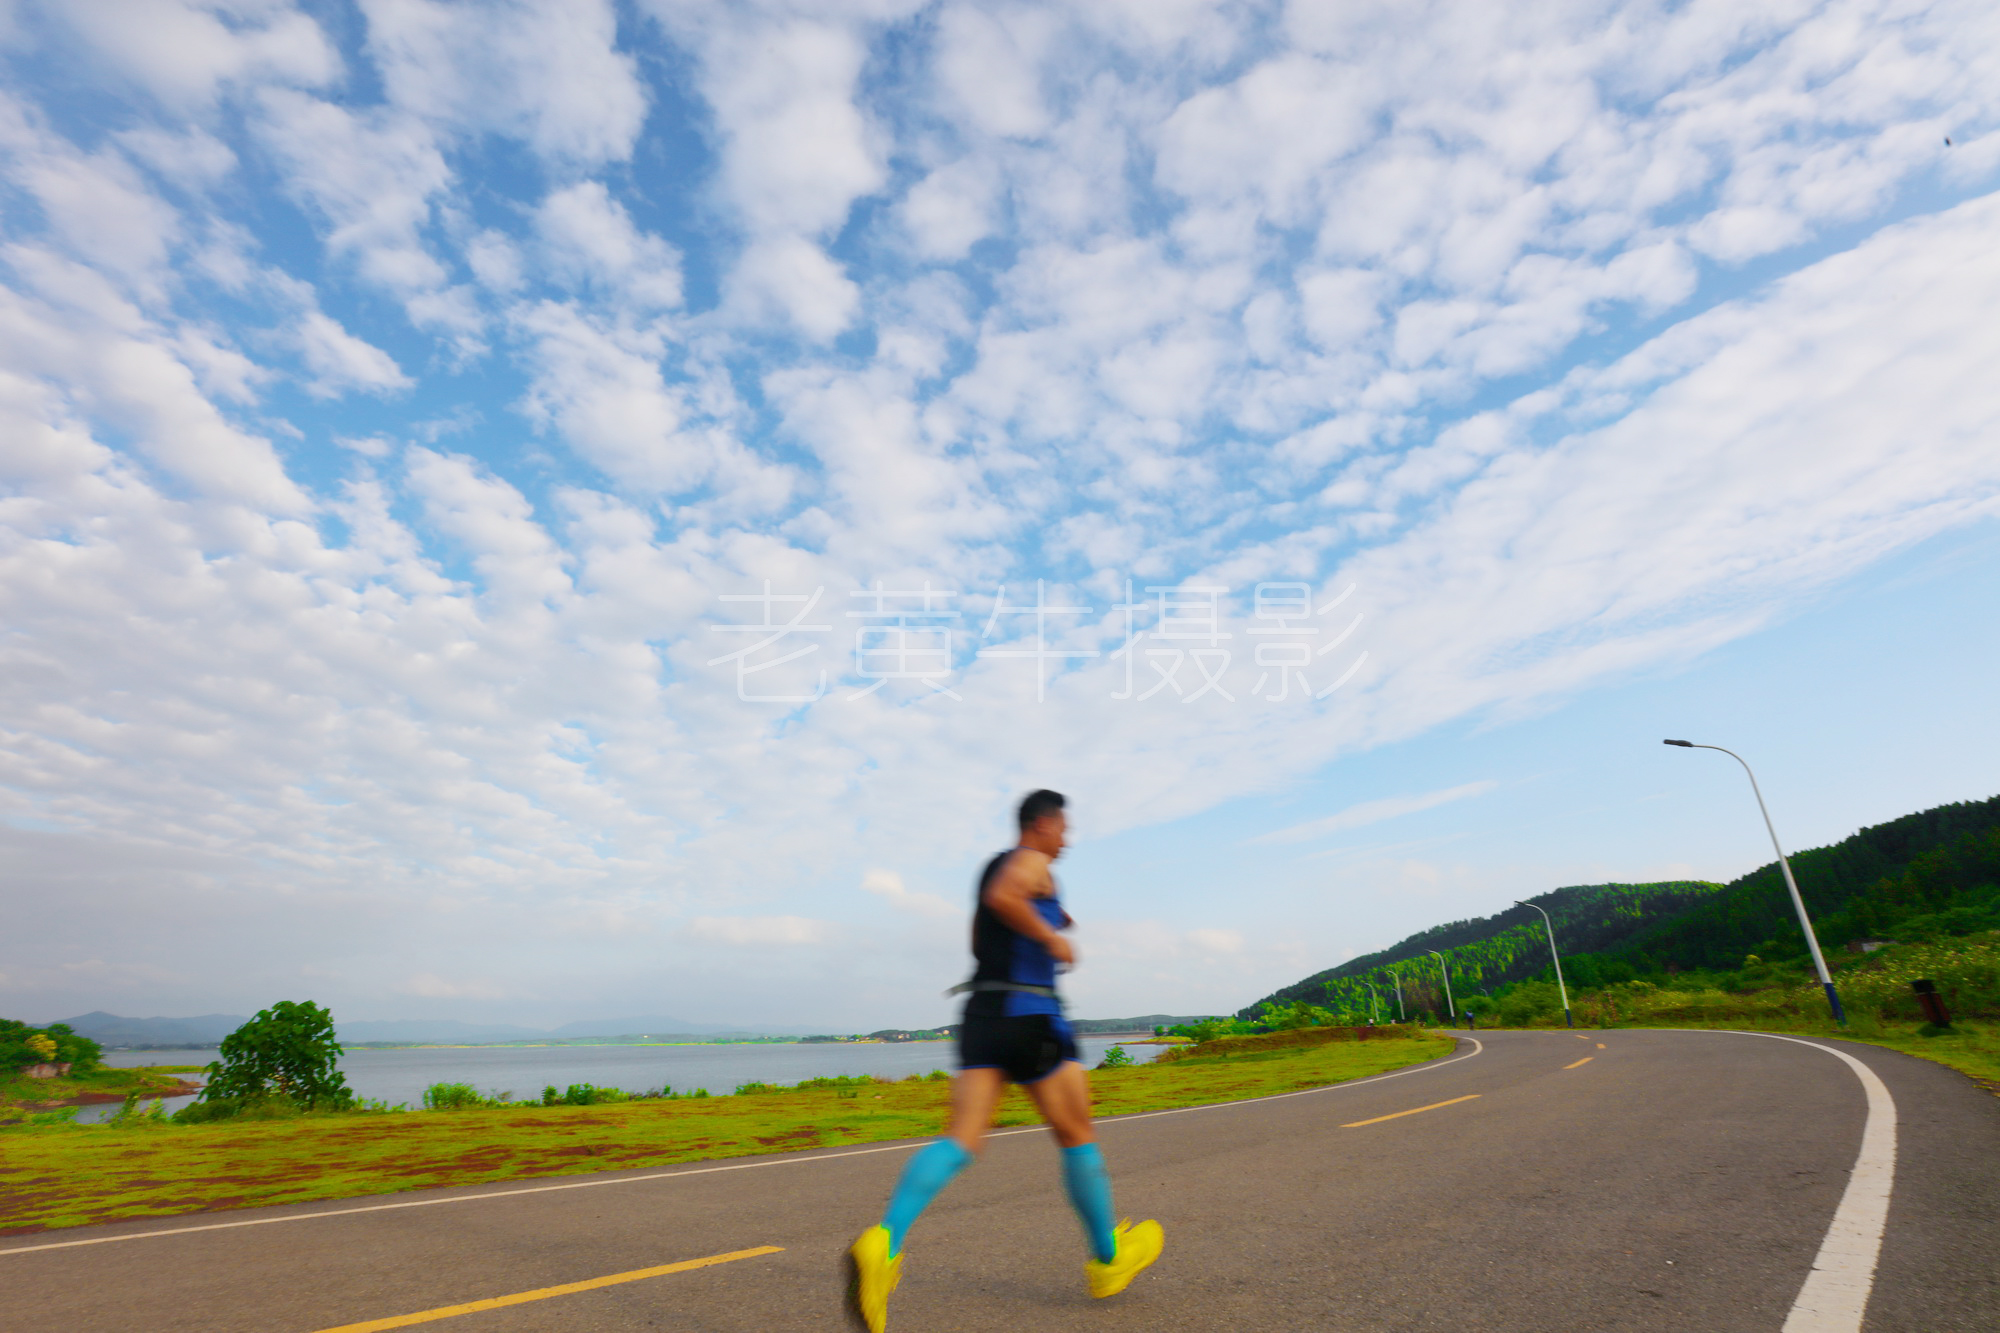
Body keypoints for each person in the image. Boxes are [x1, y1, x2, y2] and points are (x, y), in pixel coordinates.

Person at [845, 790, 1164, 1331]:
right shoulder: (1030, 862)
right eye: (1062, 828)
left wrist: (1036, 928)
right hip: (1030, 1013)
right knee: (1077, 1133)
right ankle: (1110, 1260)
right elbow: (1004, 897)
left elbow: (981, 931)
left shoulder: (992, 867)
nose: (1066, 839)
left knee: (961, 1139)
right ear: (1041, 824)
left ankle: (883, 1243)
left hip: (982, 1014)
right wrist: (1052, 942)